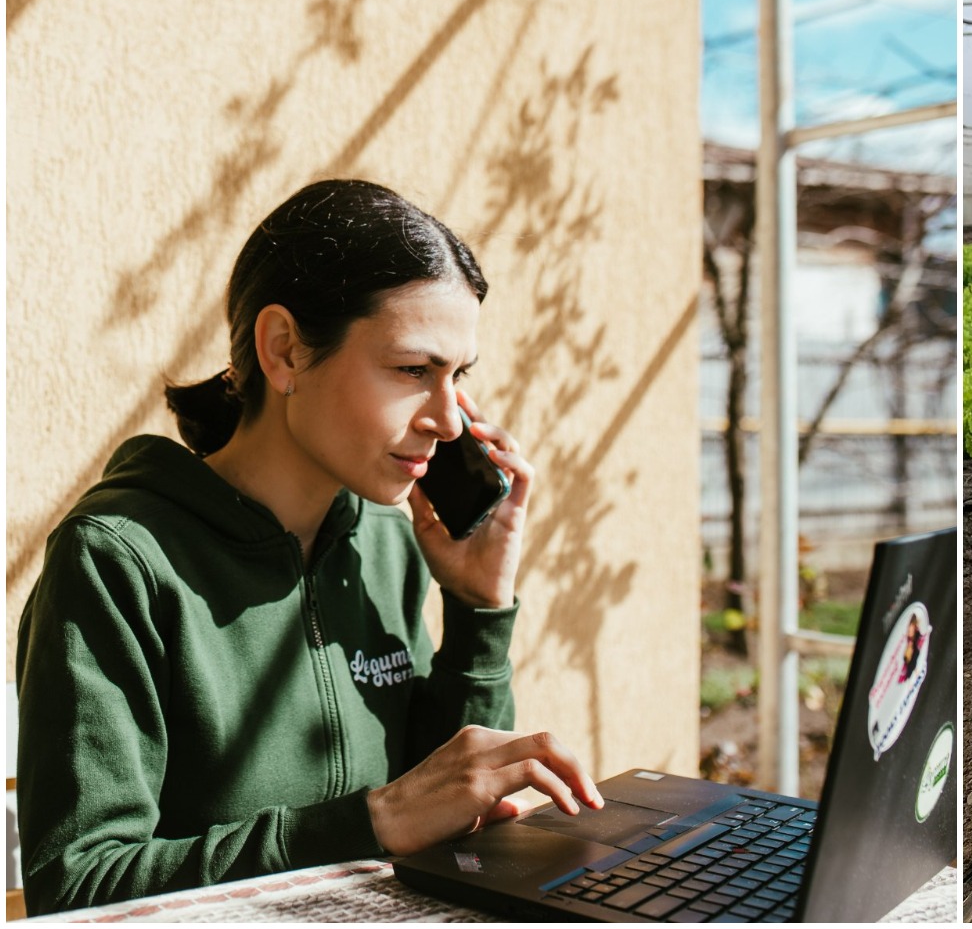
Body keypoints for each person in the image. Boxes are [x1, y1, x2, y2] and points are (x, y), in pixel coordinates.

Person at [13, 179, 605, 915]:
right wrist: (370, 823)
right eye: (413, 370)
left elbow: (450, 822)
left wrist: (478, 610)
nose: (449, 422)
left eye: (458, 377)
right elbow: (76, 887)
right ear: (285, 350)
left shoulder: (385, 540)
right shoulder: (118, 560)